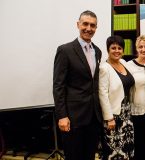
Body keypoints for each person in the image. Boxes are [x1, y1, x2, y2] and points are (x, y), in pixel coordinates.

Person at [53, 10, 102, 160]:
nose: (88, 28)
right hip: (73, 118)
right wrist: (62, 116)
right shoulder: (65, 50)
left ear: (96, 28)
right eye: (85, 24)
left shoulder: (98, 51)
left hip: (93, 117)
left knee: (89, 156)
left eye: (92, 25)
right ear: (78, 24)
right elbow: (58, 86)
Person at [99, 35, 135, 160]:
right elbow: (102, 94)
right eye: (113, 48)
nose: (116, 51)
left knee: (127, 149)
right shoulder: (104, 68)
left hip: (127, 113)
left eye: (120, 48)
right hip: (114, 115)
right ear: (108, 50)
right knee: (114, 150)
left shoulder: (124, 63)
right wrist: (109, 118)